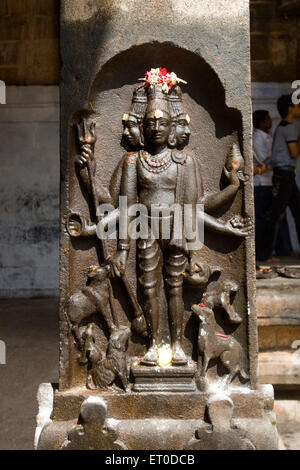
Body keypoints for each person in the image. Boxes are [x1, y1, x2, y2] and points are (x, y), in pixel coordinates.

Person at [109, 74, 250, 366]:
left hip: (176, 229)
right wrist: (122, 250)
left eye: (162, 123)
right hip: (144, 227)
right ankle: (152, 344)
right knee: (148, 287)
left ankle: (176, 345)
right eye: (150, 123)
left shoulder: (185, 161)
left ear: (174, 127)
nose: (156, 128)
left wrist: (233, 189)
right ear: (141, 127)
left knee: (174, 287)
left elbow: (198, 207)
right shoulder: (133, 161)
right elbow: (126, 206)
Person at [259, 95, 300, 261]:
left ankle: (264, 253)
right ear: (290, 109)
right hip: (284, 176)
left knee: (296, 213)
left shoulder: (282, 127)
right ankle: (263, 254)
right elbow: (294, 153)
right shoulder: (288, 127)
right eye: (297, 106)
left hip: (285, 175)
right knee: (274, 216)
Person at [252, 110, 292, 261]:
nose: (270, 121)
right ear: (261, 122)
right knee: (262, 219)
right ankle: (261, 254)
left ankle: (274, 251)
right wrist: (276, 159)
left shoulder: (267, 136)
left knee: (272, 218)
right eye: (268, 119)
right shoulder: (257, 138)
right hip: (261, 184)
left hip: (269, 181)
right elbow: (265, 161)